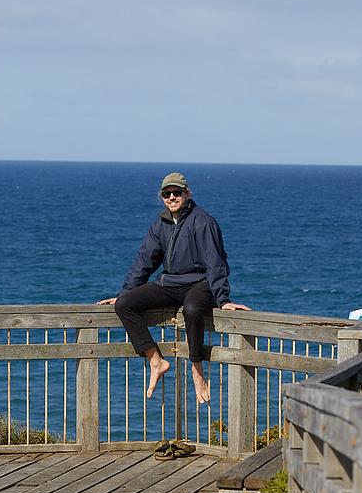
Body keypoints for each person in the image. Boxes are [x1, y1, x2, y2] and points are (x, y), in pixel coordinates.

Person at [98, 172, 250, 405]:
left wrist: (223, 299)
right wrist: (125, 292)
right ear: (162, 197)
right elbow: (144, 260)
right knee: (125, 305)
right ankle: (156, 360)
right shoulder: (161, 224)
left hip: (200, 284)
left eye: (177, 192)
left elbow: (215, 262)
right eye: (166, 194)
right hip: (170, 283)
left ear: (187, 194)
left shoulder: (203, 221)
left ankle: (197, 371)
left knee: (191, 310)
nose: (172, 197)